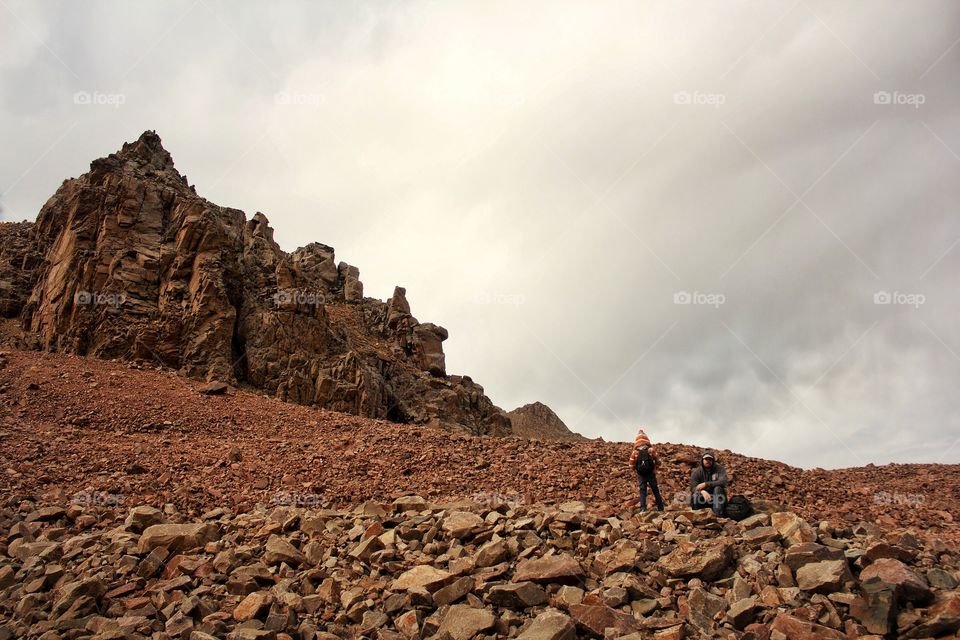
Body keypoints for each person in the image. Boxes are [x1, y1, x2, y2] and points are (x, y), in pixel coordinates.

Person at [628, 428, 664, 512]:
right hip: (651, 473)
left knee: (642, 491)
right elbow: (659, 461)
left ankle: (643, 509)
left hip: (641, 474)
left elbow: (630, 465)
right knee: (655, 490)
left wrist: (636, 469)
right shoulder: (651, 450)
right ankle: (661, 508)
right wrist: (655, 467)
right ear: (647, 440)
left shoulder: (635, 452)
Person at [689, 451, 728, 516]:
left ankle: (717, 516)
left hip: (717, 499)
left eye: (710, 459)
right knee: (696, 494)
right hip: (703, 499)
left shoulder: (719, 469)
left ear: (713, 461)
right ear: (702, 460)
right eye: (706, 459)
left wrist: (706, 484)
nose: (708, 461)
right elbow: (693, 487)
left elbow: (723, 481)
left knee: (718, 488)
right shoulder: (696, 472)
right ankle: (697, 517)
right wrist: (702, 491)